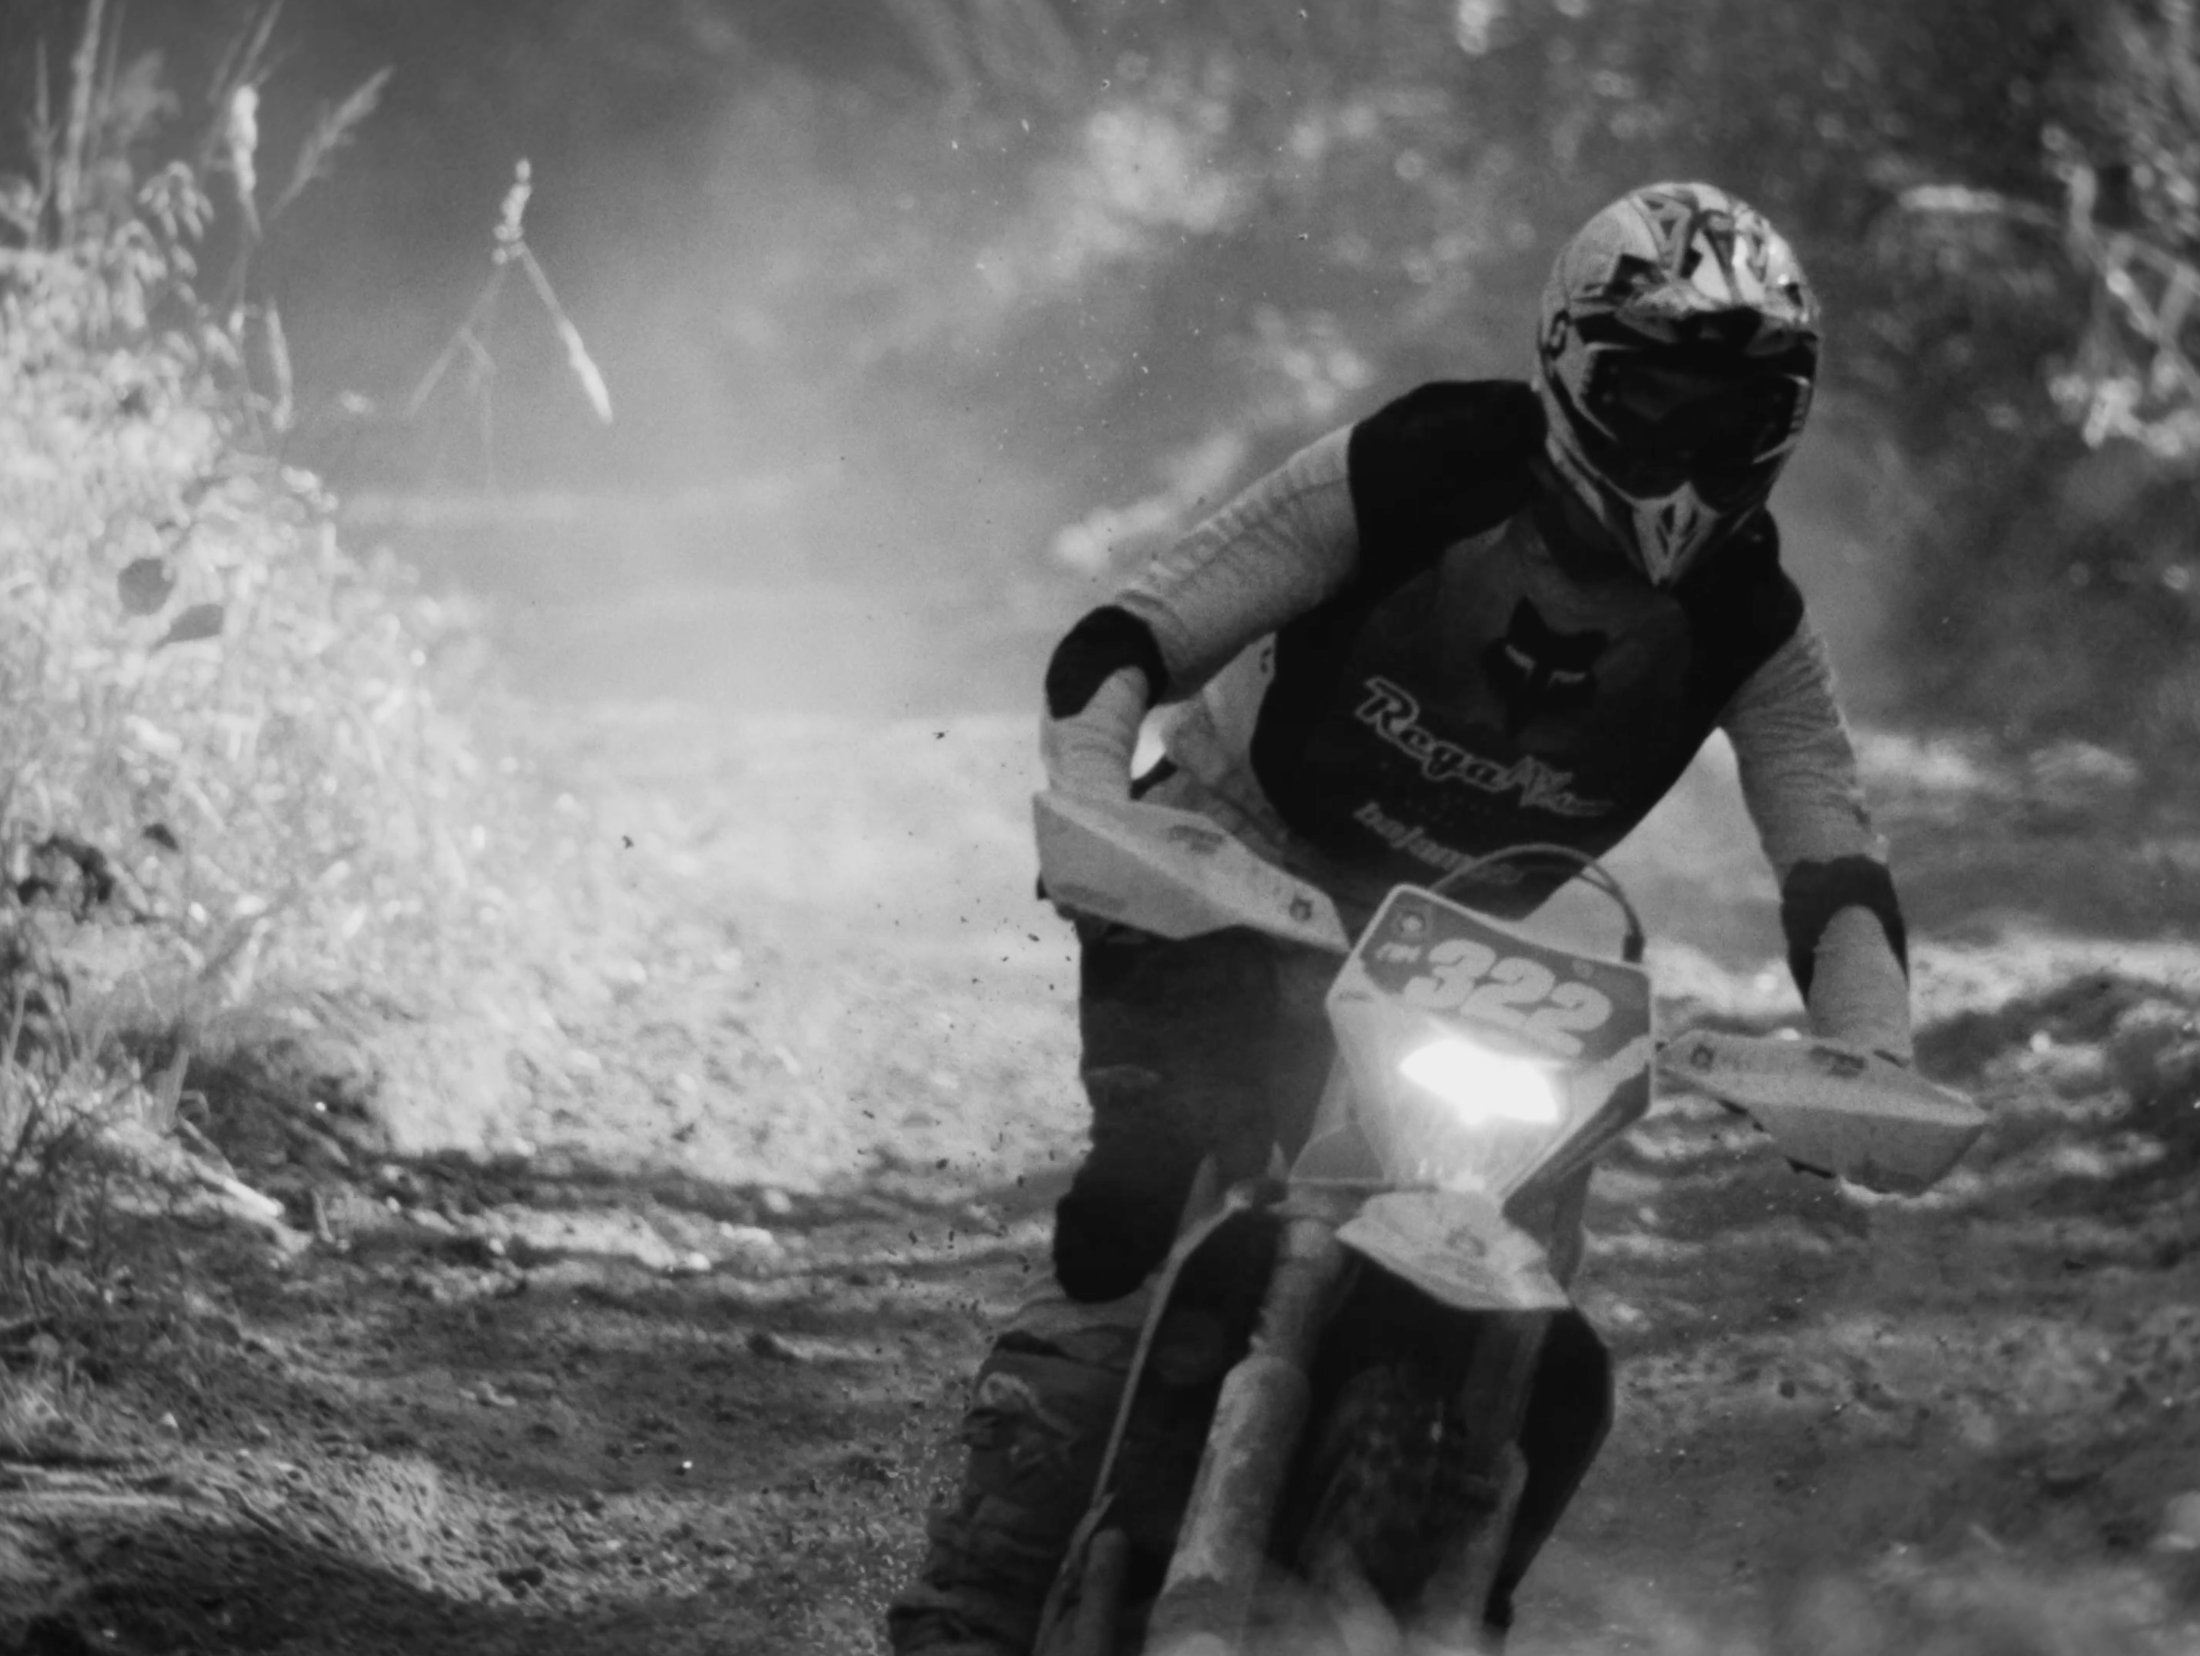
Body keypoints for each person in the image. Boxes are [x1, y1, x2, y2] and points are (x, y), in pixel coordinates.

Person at [888, 180, 1913, 1654]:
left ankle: (1449, 1598)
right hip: (1234, 862)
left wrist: (1868, 1041)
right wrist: (1090, 800)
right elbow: (1142, 626)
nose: (1691, 459)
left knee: (1533, 1276)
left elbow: (1829, 845)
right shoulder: (1422, 468)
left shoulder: (1751, 617)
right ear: (1569, 368)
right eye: (1656, 401)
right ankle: (971, 1611)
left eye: (1735, 417)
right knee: (1140, 1230)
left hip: (1477, 946)